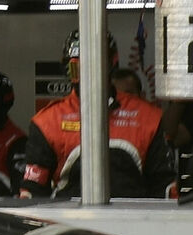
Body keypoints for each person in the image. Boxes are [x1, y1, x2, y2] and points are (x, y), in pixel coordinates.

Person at [24, 33, 164, 198]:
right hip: (70, 222)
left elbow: (164, 185)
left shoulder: (148, 117)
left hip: (135, 220)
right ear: (67, 70)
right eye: (77, 67)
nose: (87, 72)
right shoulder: (47, 122)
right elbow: (33, 191)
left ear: (112, 63)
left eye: (96, 63)